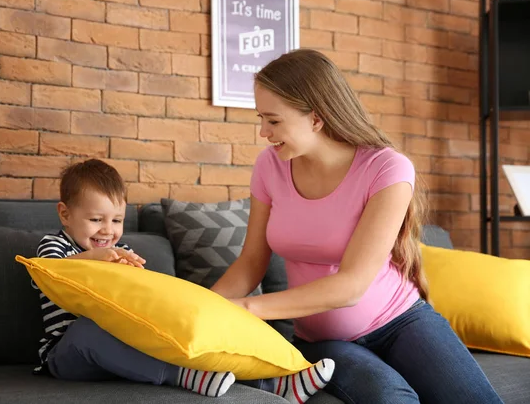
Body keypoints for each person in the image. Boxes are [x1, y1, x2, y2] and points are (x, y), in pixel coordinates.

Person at [210, 48, 504, 404]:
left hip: (403, 322)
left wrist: (248, 308)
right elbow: (251, 262)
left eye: (273, 121)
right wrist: (200, 308)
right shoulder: (269, 168)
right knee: (391, 398)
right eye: (261, 118)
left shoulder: (386, 168)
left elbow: (351, 286)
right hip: (323, 340)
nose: (263, 132)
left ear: (315, 118)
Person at [31, 158, 334, 403]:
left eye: (117, 220)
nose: (107, 231)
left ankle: (277, 383)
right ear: (65, 214)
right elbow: (49, 269)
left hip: (123, 349)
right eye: (96, 220)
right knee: (87, 331)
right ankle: (182, 376)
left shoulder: (122, 252)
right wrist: (95, 260)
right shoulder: (55, 246)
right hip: (68, 355)